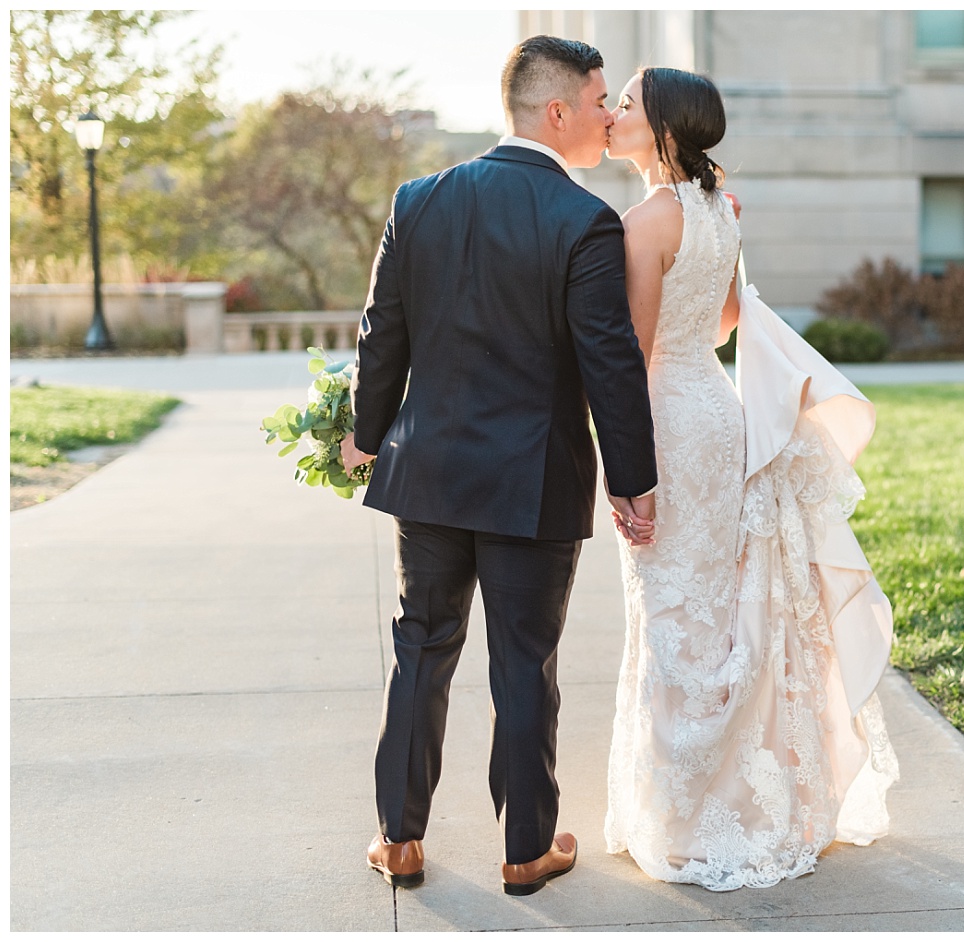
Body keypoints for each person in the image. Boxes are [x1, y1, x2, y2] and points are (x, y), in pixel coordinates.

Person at [341, 35, 659, 896]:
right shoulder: (583, 220)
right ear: (557, 111)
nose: (606, 116)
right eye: (599, 102)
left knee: (421, 646)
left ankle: (398, 839)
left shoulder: (420, 200)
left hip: (431, 476)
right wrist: (635, 481)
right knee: (524, 662)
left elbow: (382, 338)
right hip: (534, 481)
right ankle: (526, 849)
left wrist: (366, 436)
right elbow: (610, 363)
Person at [601, 67, 900, 891]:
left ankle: (685, 815)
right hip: (719, 412)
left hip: (667, 419)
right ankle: (741, 800)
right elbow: (729, 322)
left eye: (626, 103)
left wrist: (621, 462)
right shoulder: (721, 211)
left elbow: (630, 347)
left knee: (669, 609)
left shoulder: (645, 219)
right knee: (718, 608)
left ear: (662, 124)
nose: (613, 113)